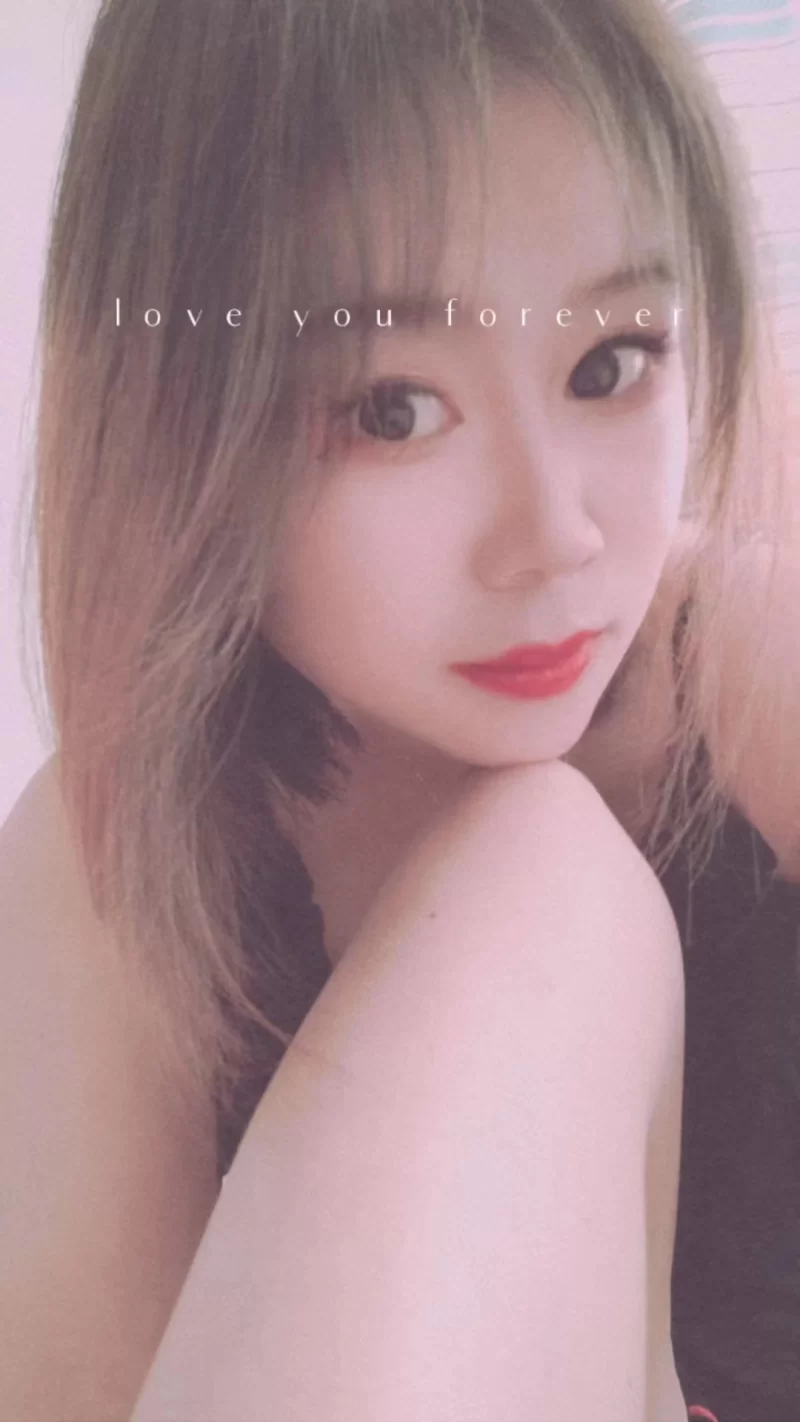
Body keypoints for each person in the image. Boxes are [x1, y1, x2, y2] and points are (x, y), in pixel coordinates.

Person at [2, 0, 796, 1418]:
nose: (555, 534)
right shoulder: (110, 851)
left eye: (611, 362)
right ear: (175, 424)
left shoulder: (742, 657)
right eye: (390, 410)